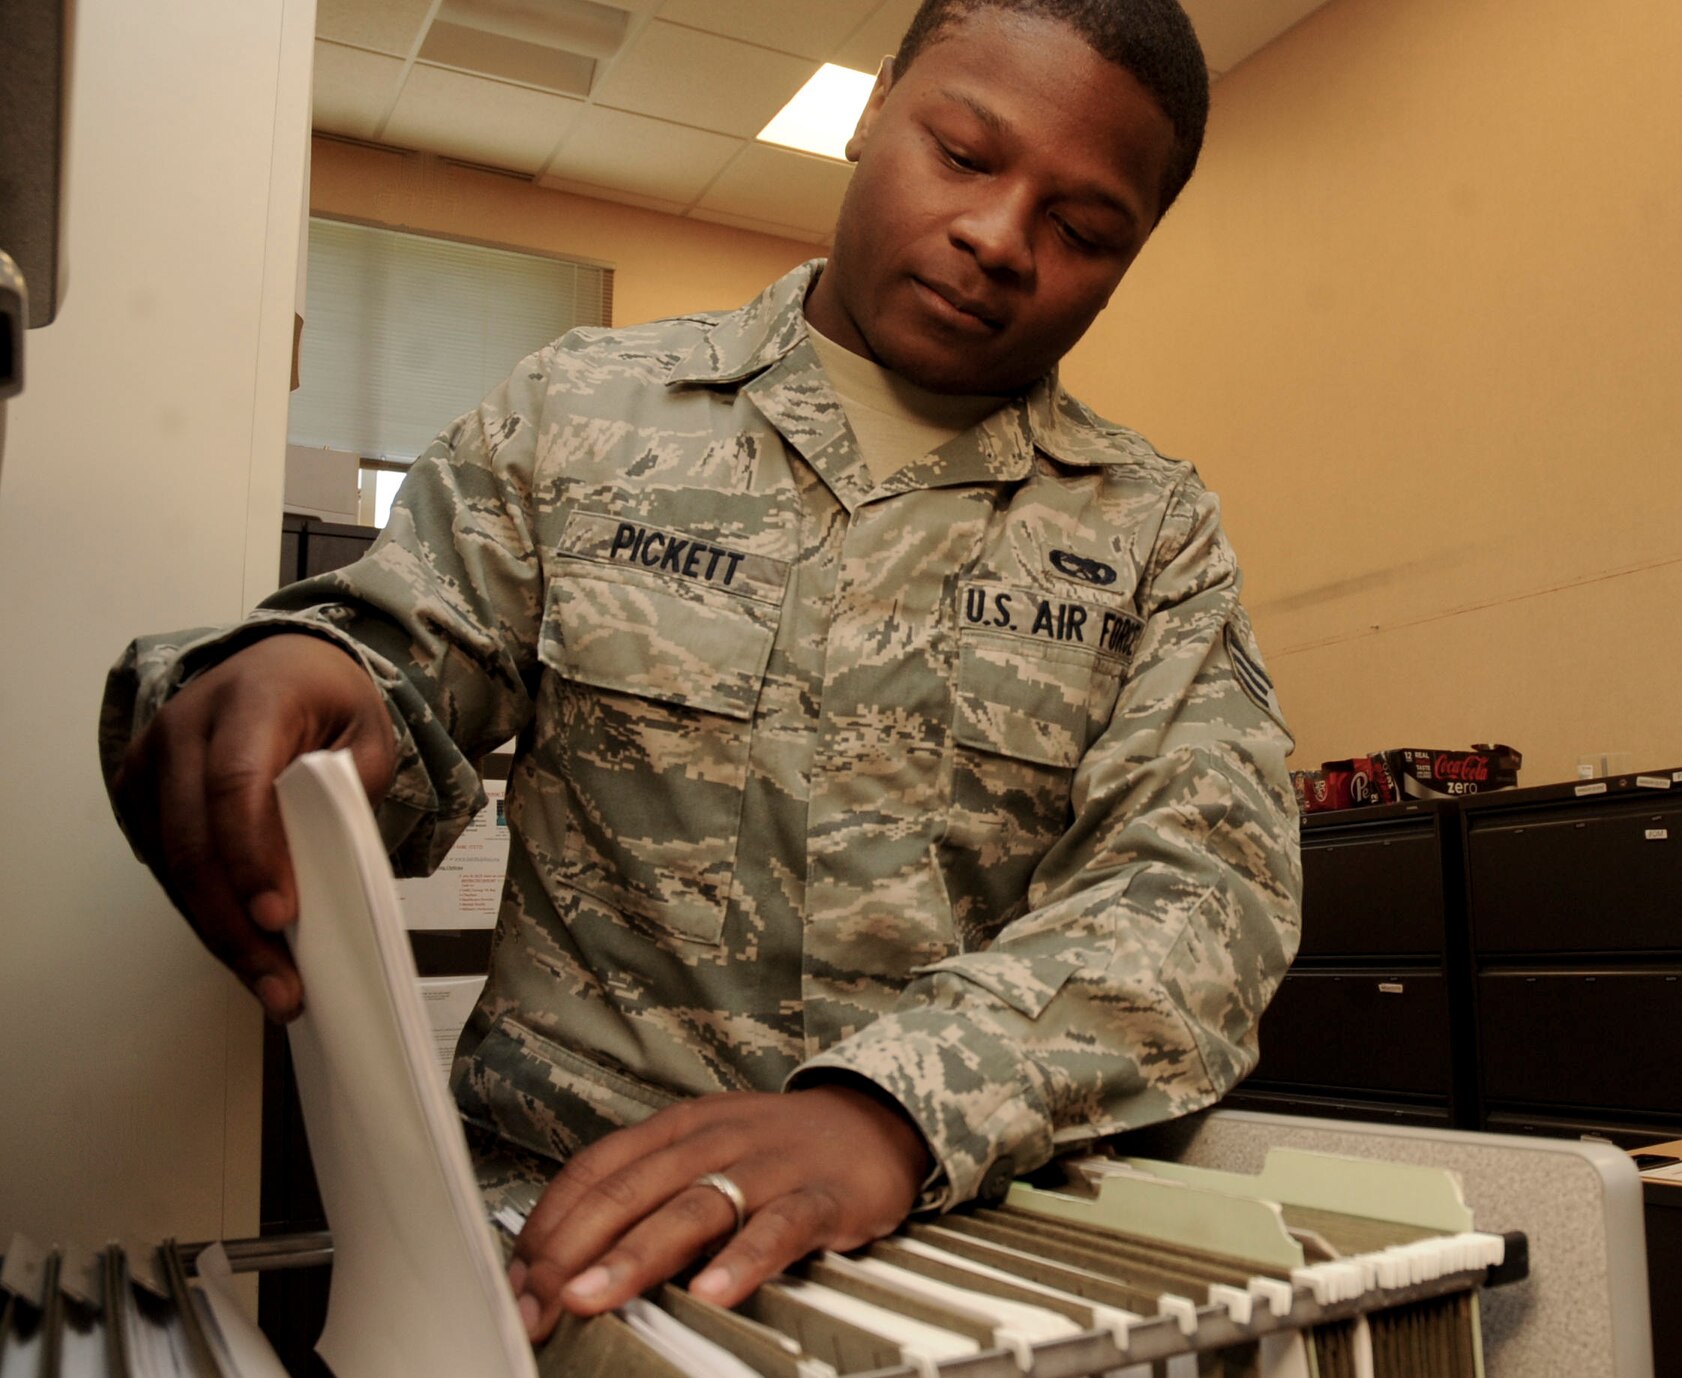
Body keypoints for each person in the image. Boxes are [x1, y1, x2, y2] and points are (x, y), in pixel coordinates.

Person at [101, 0, 1301, 1344]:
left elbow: (1198, 896)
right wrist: (290, 678)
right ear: (873, 106)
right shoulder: (584, 414)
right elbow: (393, 665)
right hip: (554, 1256)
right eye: (965, 154)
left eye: (1084, 231)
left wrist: (900, 1106)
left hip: (944, 1272)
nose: (999, 239)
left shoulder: (1151, 533)